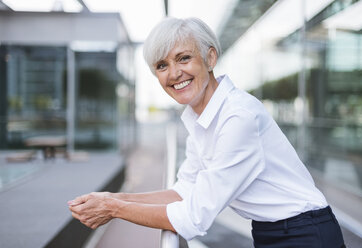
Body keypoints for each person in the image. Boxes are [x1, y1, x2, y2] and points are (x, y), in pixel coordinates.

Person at [69, 17, 346, 247]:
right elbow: (183, 193)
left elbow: (193, 217)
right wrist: (114, 198)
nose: (174, 73)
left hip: (306, 234)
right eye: (162, 65)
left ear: (210, 57)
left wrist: (114, 209)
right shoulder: (200, 119)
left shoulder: (238, 117)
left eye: (184, 58)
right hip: (272, 232)